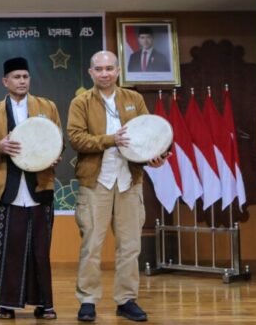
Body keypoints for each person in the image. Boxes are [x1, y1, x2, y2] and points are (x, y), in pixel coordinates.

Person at [67, 50, 167, 322]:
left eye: (110, 68)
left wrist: (157, 156)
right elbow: (76, 139)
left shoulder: (133, 99)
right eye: (99, 69)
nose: (105, 73)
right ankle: (87, 300)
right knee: (91, 245)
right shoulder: (81, 102)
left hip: (129, 181)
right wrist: (110, 139)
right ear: (91, 73)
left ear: (118, 71)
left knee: (130, 245)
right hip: (95, 182)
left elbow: (151, 134)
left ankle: (126, 299)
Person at [0, 57, 61, 320]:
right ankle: (6, 304)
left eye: (25, 76)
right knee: (7, 248)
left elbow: (57, 140)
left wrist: (54, 154)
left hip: (41, 187)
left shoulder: (47, 107)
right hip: (8, 188)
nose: (22, 81)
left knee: (41, 248)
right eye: (16, 77)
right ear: (5, 81)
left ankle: (45, 303)